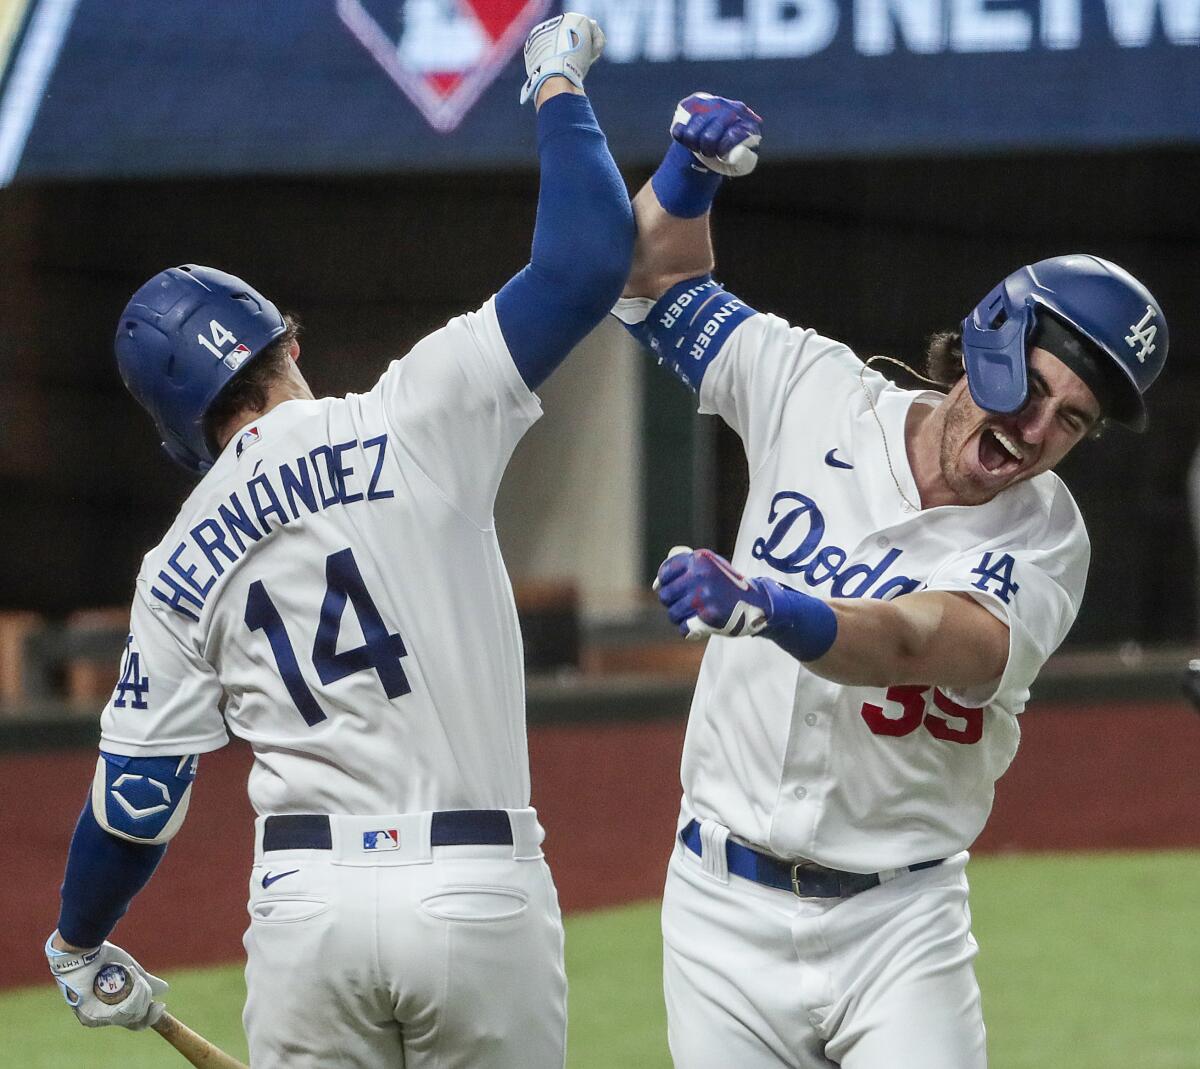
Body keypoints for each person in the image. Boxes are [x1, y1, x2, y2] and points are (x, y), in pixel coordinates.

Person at [43, 15, 632, 1069]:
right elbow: (588, 260)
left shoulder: (175, 564)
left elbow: (135, 801)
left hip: (306, 911)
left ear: (183, 433)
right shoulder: (414, 412)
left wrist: (80, 934)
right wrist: (553, 79)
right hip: (472, 889)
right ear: (289, 344)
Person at [615, 93, 1168, 1068]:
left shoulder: (1047, 539)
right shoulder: (812, 389)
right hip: (716, 907)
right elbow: (649, 277)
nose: (1038, 433)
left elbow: (923, 640)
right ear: (989, 335)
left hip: (898, 922)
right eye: (1036, 387)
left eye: (1073, 420)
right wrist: (686, 179)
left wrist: (773, 607)